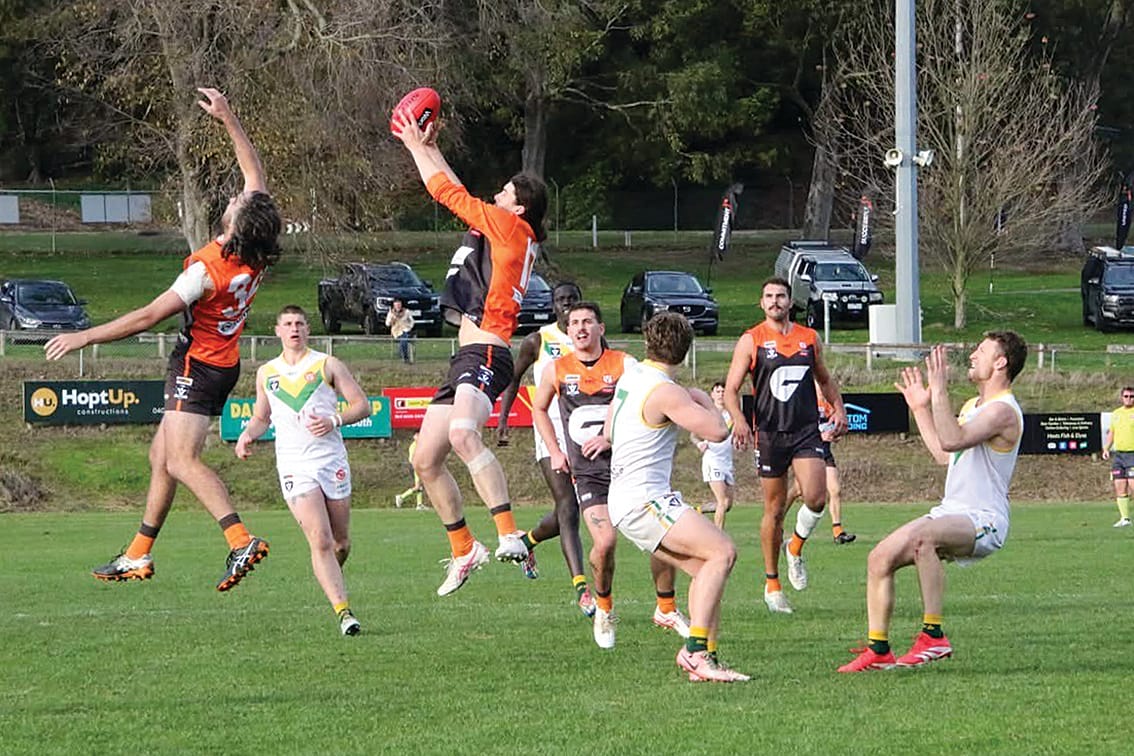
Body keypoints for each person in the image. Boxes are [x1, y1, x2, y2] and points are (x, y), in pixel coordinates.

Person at [45, 87, 281, 591]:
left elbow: (148, 316)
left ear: (235, 224)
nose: (235, 196)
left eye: (237, 202)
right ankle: (137, 554)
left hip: (198, 365)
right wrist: (228, 117)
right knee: (161, 457)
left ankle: (240, 540)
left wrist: (84, 337)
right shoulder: (254, 250)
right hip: (222, 362)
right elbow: (255, 173)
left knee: (180, 460)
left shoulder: (207, 271)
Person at [391, 104, 548, 596]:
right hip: (468, 356)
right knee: (425, 460)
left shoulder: (510, 228)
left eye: (504, 193)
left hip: (487, 354)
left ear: (517, 208)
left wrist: (412, 145)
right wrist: (433, 147)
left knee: (462, 434)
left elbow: (446, 193)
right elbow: (463, 197)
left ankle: (509, 533)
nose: (496, 196)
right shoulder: (507, 230)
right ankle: (464, 548)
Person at [839, 334, 1026, 672]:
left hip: (984, 519)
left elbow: (953, 439)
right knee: (879, 558)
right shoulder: (973, 406)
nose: (973, 355)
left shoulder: (1003, 411)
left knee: (924, 538)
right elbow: (945, 454)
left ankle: (933, 636)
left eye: (981, 350)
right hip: (952, 512)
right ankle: (878, 650)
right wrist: (921, 408)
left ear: (1001, 362)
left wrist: (939, 390)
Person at [532, 302, 690, 648]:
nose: (580, 328)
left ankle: (666, 607)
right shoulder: (556, 369)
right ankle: (604, 609)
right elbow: (539, 408)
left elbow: (636, 398)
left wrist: (608, 436)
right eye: (574, 323)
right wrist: (554, 451)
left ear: (601, 328)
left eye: (588, 321)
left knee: (663, 537)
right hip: (589, 474)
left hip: (631, 467)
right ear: (568, 331)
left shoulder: (625, 365)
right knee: (604, 544)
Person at [607, 312, 748, 682]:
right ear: (687, 351)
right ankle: (694, 652)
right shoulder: (667, 391)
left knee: (706, 570)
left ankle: (706, 661)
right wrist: (702, 398)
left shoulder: (632, 375)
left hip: (626, 499)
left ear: (647, 342)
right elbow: (718, 431)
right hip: (644, 500)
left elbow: (608, 429)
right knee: (723, 551)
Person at [234, 306, 370, 636]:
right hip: (294, 464)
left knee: (340, 543)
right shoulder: (267, 373)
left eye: (299, 323)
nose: (294, 329)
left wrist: (334, 420)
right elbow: (262, 416)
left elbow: (362, 405)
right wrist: (247, 434)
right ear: (277, 331)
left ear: (308, 329)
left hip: (331, 460)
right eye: (288, 324)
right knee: (320, 539)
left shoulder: (327, 364)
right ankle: (343, 612)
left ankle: (330, 575)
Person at [723, 277, 847, 615]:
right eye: (769, 296)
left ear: (791, 302)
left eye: (780, 296)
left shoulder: (809, 338)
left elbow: (824, 378)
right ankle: (773, 584)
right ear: (761, 303)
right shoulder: (751, 339)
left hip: (805, 430)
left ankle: (794, 548)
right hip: (770, 434)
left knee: (816, 497)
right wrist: (739, 420)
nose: (775, 301)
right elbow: (731, 390)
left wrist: (838, 408)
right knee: (775, 510)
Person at [496, 281, 595, 615]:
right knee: (568, 507)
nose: (567, 304)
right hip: (549, 432)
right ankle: (581, 589)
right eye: (561, 300)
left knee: (579, 507)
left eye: (572, 299)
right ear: (553, 305)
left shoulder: (591, 338)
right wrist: (503, 419)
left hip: (585, 433)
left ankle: (526, 543)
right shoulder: (538, 340)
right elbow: (513, 378)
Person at [785, 382, 856, 544]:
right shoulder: (804, 404)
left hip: (824, 452)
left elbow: (835, 426)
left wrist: (836, 433)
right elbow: (798, 430)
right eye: (819, 389)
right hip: (808, 453)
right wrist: (820, 436)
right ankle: (777, 519)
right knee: (797, 490)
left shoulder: (830, 405)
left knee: (835, 490)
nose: (823, 393)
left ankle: (838, 532)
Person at [692, 381, 735, 528]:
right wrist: (699, 444)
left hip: (727, 461)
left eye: (723, 392)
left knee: (727, 504)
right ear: (712, 395)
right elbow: (693, 435)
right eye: (718, 392)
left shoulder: (732, 413)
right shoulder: (708, 414)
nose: (721, 394)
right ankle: (718, 535)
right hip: (713, 460)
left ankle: (698, 511)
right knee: (722, 501)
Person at [1102, 386, 1134, 528]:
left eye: (1132, 396)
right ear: (1122, 398)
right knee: (1119, 486)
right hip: (1119, 456)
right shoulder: (1116, 414)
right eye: (1126, 396)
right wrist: (1106, 448)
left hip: (1132, 454)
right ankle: (1125, 518)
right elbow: (1112, 433)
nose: (1129, 399)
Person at [395, 432, 428, 510]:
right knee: (417, 486)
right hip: (415, 467)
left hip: (419, 466)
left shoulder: (420, 445)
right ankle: (401, 497)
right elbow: (412, 459)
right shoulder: (413, 446)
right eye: (417, 435)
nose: (419, 437)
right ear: (414, 437)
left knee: (419, 486)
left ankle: (419, 504)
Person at [386, 299, 415, 364]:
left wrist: (410, 327)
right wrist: (391, 321)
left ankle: (404, 356)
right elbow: (387, 324)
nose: (398, 306)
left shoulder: (406, 312)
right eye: (396, 305)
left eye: (399, 305)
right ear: (394, 306)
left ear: (401, 305)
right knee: (403, 338)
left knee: (404, 337)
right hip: (396, 331)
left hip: (406, 330)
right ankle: (405, 357)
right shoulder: (391, 313)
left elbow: (412, 321)